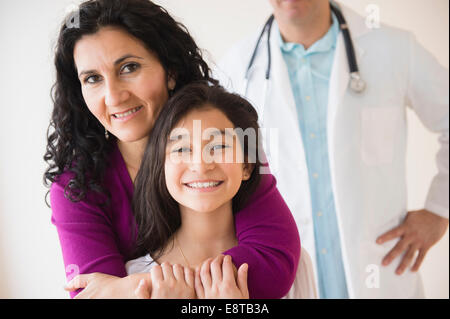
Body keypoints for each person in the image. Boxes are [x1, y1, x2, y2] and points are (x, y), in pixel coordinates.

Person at [45, 0, 300, 299]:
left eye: (129, 67)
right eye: (92, 79)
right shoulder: (77, 187)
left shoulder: (230, 138)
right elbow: (89, 293)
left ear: (171, 71)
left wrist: (133, 287)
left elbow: (273, 264)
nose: (113, 96)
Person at [216, 0, 449, 298]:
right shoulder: (235, 67)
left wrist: (439, 211)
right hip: (286, 274)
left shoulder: (394, 48)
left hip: (380, 273)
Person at [125, 82, 316, 299]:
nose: (201, 165)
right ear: (161, 167)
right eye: (182, 149)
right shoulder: (135, 278)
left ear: (246, 166)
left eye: (218, 147)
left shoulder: (293, 265)